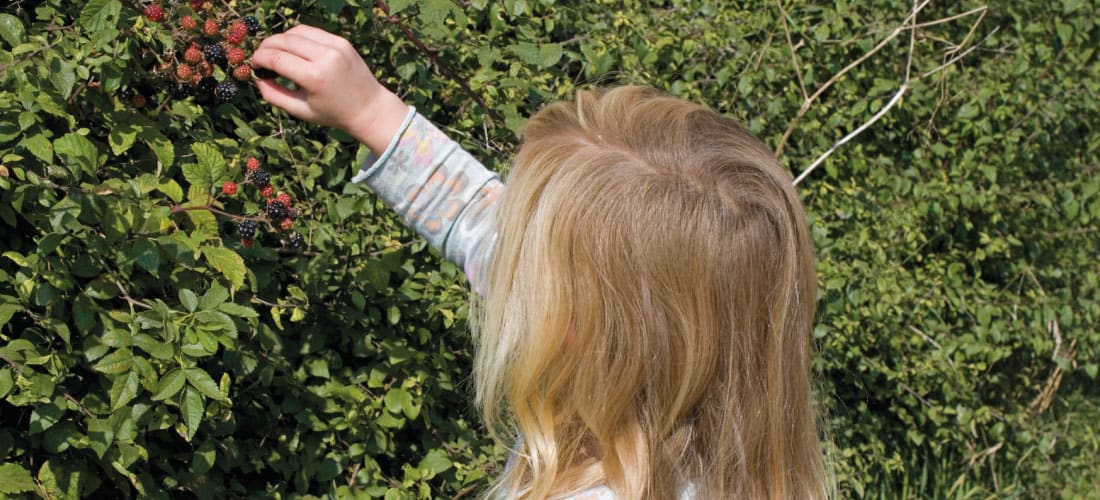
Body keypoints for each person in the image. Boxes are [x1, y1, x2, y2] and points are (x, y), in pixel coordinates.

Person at [252, 24, 829, 500]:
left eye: (524, 260)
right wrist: (373, 113)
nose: (503, 256)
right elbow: (479, 221)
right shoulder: (715, 431)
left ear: (577, 330)